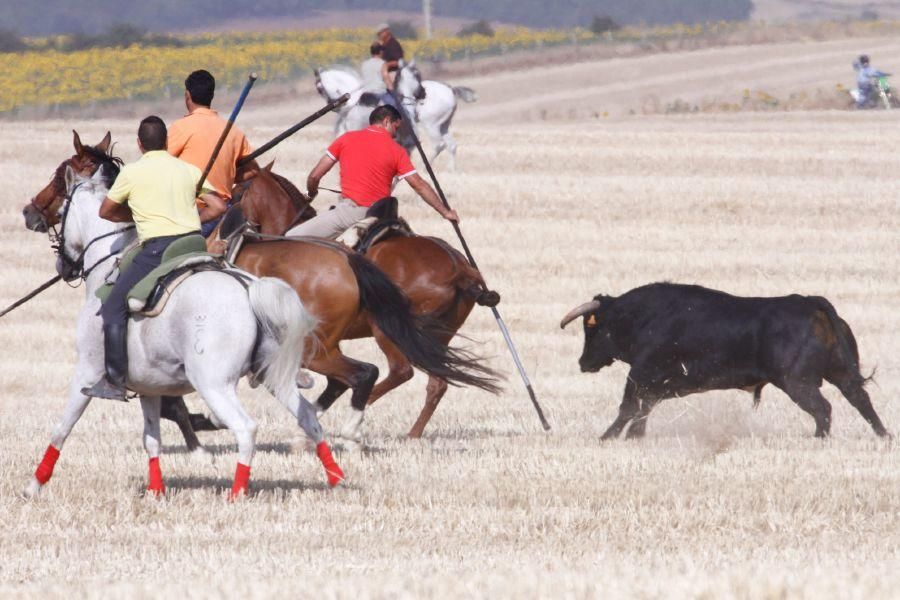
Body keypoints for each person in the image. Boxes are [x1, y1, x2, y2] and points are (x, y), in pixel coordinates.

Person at [82, 116, 217, 400]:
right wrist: (191, 218)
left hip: (158, 250)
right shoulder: (188, 169)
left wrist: (134, 215)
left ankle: (115, 381)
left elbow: (105, 211)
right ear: (167, 142)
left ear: (139, 144)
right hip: (194, 243)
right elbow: (218, 206)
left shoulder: (132, 173)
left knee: (113, 306)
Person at [285, 105, 458, 240]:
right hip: (382, 218)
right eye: (396, 129)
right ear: (387, 121)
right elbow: (419, 185)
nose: (396, 135)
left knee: (290, 238)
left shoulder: (346, 139)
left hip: (350, 214)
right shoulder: (397, 150)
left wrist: (311, 192)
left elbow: (315, 176)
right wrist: (445, 212)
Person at [167, 70, 259, 236]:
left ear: (187, 95)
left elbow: (159, 165)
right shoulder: (233, 132)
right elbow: (253, 171)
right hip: (225, 215)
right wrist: (227, 174)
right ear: (212, 95)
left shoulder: (180, 128)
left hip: (194, 215)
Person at [376, 23, 404, 108]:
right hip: (384, 72)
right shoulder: (384, 45)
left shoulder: (393, 44)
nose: (379, 36)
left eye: (380, 34)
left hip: (393, 72)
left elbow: (398, 62)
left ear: (386, 32)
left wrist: (386, 65)